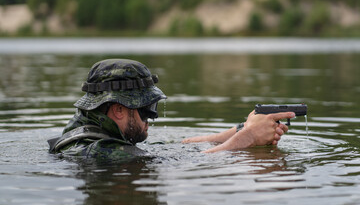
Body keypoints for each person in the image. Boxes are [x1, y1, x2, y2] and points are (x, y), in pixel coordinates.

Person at [48, 58, 294, 160]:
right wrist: (249, 137)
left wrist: (238, 129)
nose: (150, 119)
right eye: (145, 109)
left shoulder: (86, 129)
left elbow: (172, 150)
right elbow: (192, 162)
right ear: (119, 110)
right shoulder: (102, 150)